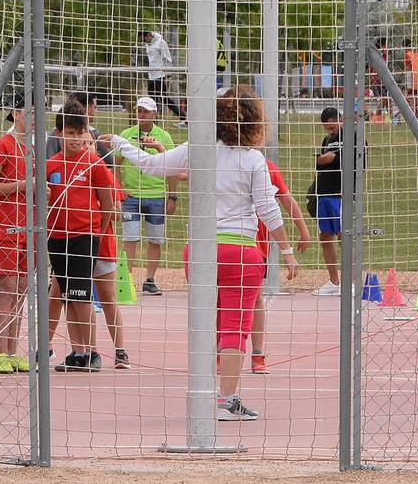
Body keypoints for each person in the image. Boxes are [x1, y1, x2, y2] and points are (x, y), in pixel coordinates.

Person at [109, 85, 298, 420]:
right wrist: (286, 250)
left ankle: (205, 392)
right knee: (235, 326)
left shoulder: (199, 149)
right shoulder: (253, 159)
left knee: (207, 322)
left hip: (198, 251)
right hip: (240, 251)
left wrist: (119, 143)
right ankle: (226, 399)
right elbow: (268, 210)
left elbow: (151, 165)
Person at [44, 108, 116, 373]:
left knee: (82, 295)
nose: (75, 139)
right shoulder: (50, 164)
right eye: (70, 133)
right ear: (59, 133)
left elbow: (107, 205)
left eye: (80, 133)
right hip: (57, 238)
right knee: (67, 297)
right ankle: (77, 351)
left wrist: (96, 235)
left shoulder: (95, 164)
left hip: (85, 237)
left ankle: (92, 351)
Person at [249, 157, 311, 374]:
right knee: (220, 299)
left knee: (255, 298)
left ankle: (257, 354)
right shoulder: (217, 161)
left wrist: (303, 230)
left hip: (255, 246)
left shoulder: (266, 167)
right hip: (223, 241)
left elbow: (286, 200)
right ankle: (220, 351)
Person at [0, 96, 31, 374]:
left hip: (28, 230)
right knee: (8, 289)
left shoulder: (33, 149)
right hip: (5, 228)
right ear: (17, 113)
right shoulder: (3, 145)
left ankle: (12, 351)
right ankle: (1, 352)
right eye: (31, 111)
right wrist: (24, 185)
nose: (37, 117)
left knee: (22, 291)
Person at [118, 96, 177, 297]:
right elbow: (116, 163)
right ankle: (126, 279)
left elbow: (172, 167)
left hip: (156, 195)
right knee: (130, 237)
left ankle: (150, 279)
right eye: (139, 111)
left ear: (155, 114)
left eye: (146, 111)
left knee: (155, 239)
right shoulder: (126, 134)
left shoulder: (164, 137)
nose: (142, 115)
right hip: (131, 195)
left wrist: (172, 196)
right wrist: (119, 189)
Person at [313, 107, 344, 296]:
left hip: (341, 193)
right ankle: (334, 281)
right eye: (327, 128)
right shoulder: (327, 140)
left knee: (344, 235)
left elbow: (359, 162)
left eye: (332, 127)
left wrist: (334, 158)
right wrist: (322, 160)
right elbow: (322, 161)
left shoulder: (352, 136)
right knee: (325, 236)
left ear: (340, 119)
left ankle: (353, 282)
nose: (330, 131)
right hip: (324, 193)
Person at [140, 30, 185, 123]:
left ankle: (183, 116)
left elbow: (168, 58)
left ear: (149, 35)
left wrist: (168, 76)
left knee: (164, 98)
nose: (144, 42)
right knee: (152, 100)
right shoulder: (147, 45)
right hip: (151, 75)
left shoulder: (161, 43)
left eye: (144, 39)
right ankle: (154, 122)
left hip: (161, 75)